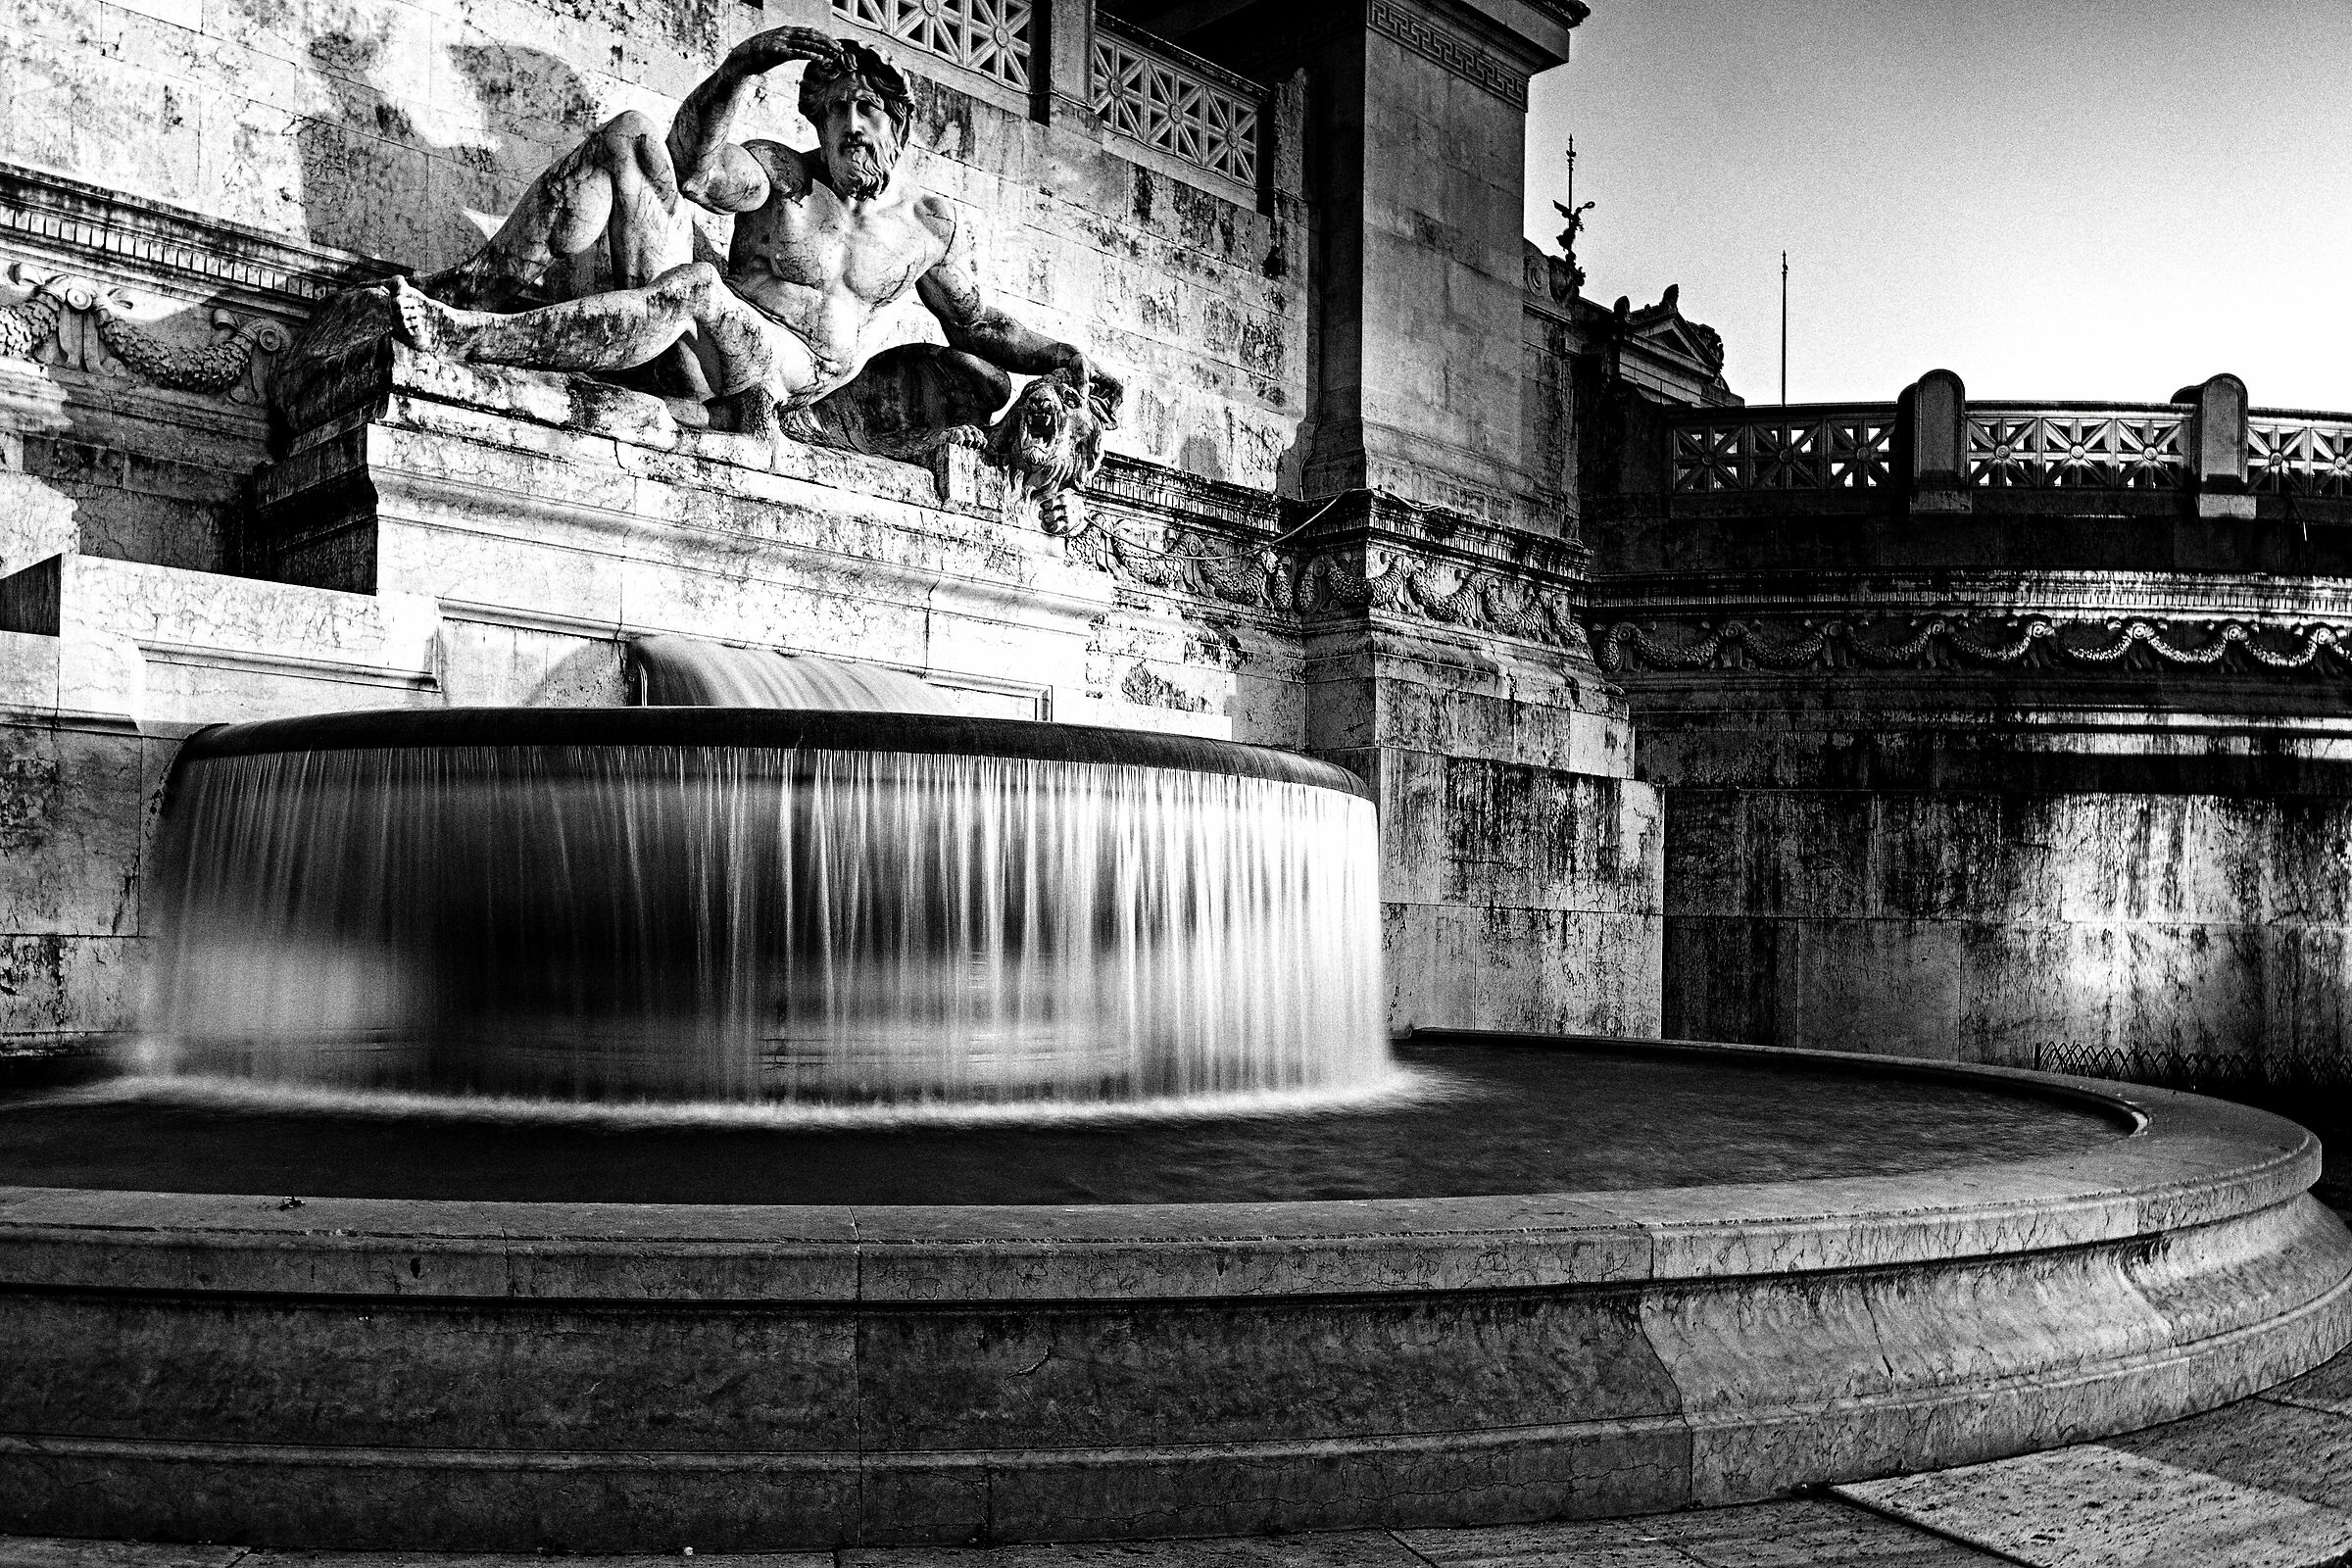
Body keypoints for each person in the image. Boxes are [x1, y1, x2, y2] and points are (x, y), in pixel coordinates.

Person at [387, 29, 1112, 447]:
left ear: (897, 126)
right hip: (717, 340)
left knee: (698, 291)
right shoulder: (782, 175)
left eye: (865, 110)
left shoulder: (928, 228)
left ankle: (468, 339)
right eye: (833, 112)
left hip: (796, 373)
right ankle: (476, 290)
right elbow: (692, 171)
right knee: (634, 138)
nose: (850, 126)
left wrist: (1063, 353)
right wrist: (741, 68)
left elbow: (977, 321)